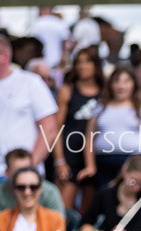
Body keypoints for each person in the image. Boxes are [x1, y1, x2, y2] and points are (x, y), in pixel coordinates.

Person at [77, 64, 141, 191]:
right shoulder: (100, 107)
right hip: (104, 164)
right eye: (117, 81)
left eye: (126, 81)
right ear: (111, 84)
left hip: (135, 163)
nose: (121, 86)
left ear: (133, 84)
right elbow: (89, 138)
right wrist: (90, 166)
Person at [0, 33, 58, 187]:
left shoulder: (30, 83)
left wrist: (27, 169)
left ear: (5, 56)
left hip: (21, 180)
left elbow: (49, 129)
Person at [53, 45, 103, 211]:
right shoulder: (68, 90)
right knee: (63, 212)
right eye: (78, 62)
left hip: (95, 159)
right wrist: (59, 161)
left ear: (96, 64)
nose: (82, 66)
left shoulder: (105, 92)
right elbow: (56, 128)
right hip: (70, 156)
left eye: (88, 61)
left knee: (88, 212)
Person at [78, 154, 141, 231]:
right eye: (133, 181)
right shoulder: (106, 195)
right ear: (124, 171)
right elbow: (84, 227)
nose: (136, 187)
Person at [0, 166, 65, 231]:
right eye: (21, 187)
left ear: (41, 188)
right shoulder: (1, 219)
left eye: (33, 187)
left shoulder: (55, 219)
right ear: (14, 190)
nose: (27, 192)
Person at [0, 148, 65, 218]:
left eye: (26, 170)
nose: (27, 192)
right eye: (17, 172)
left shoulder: (50, 191)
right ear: (7, 172)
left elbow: (59, 223)